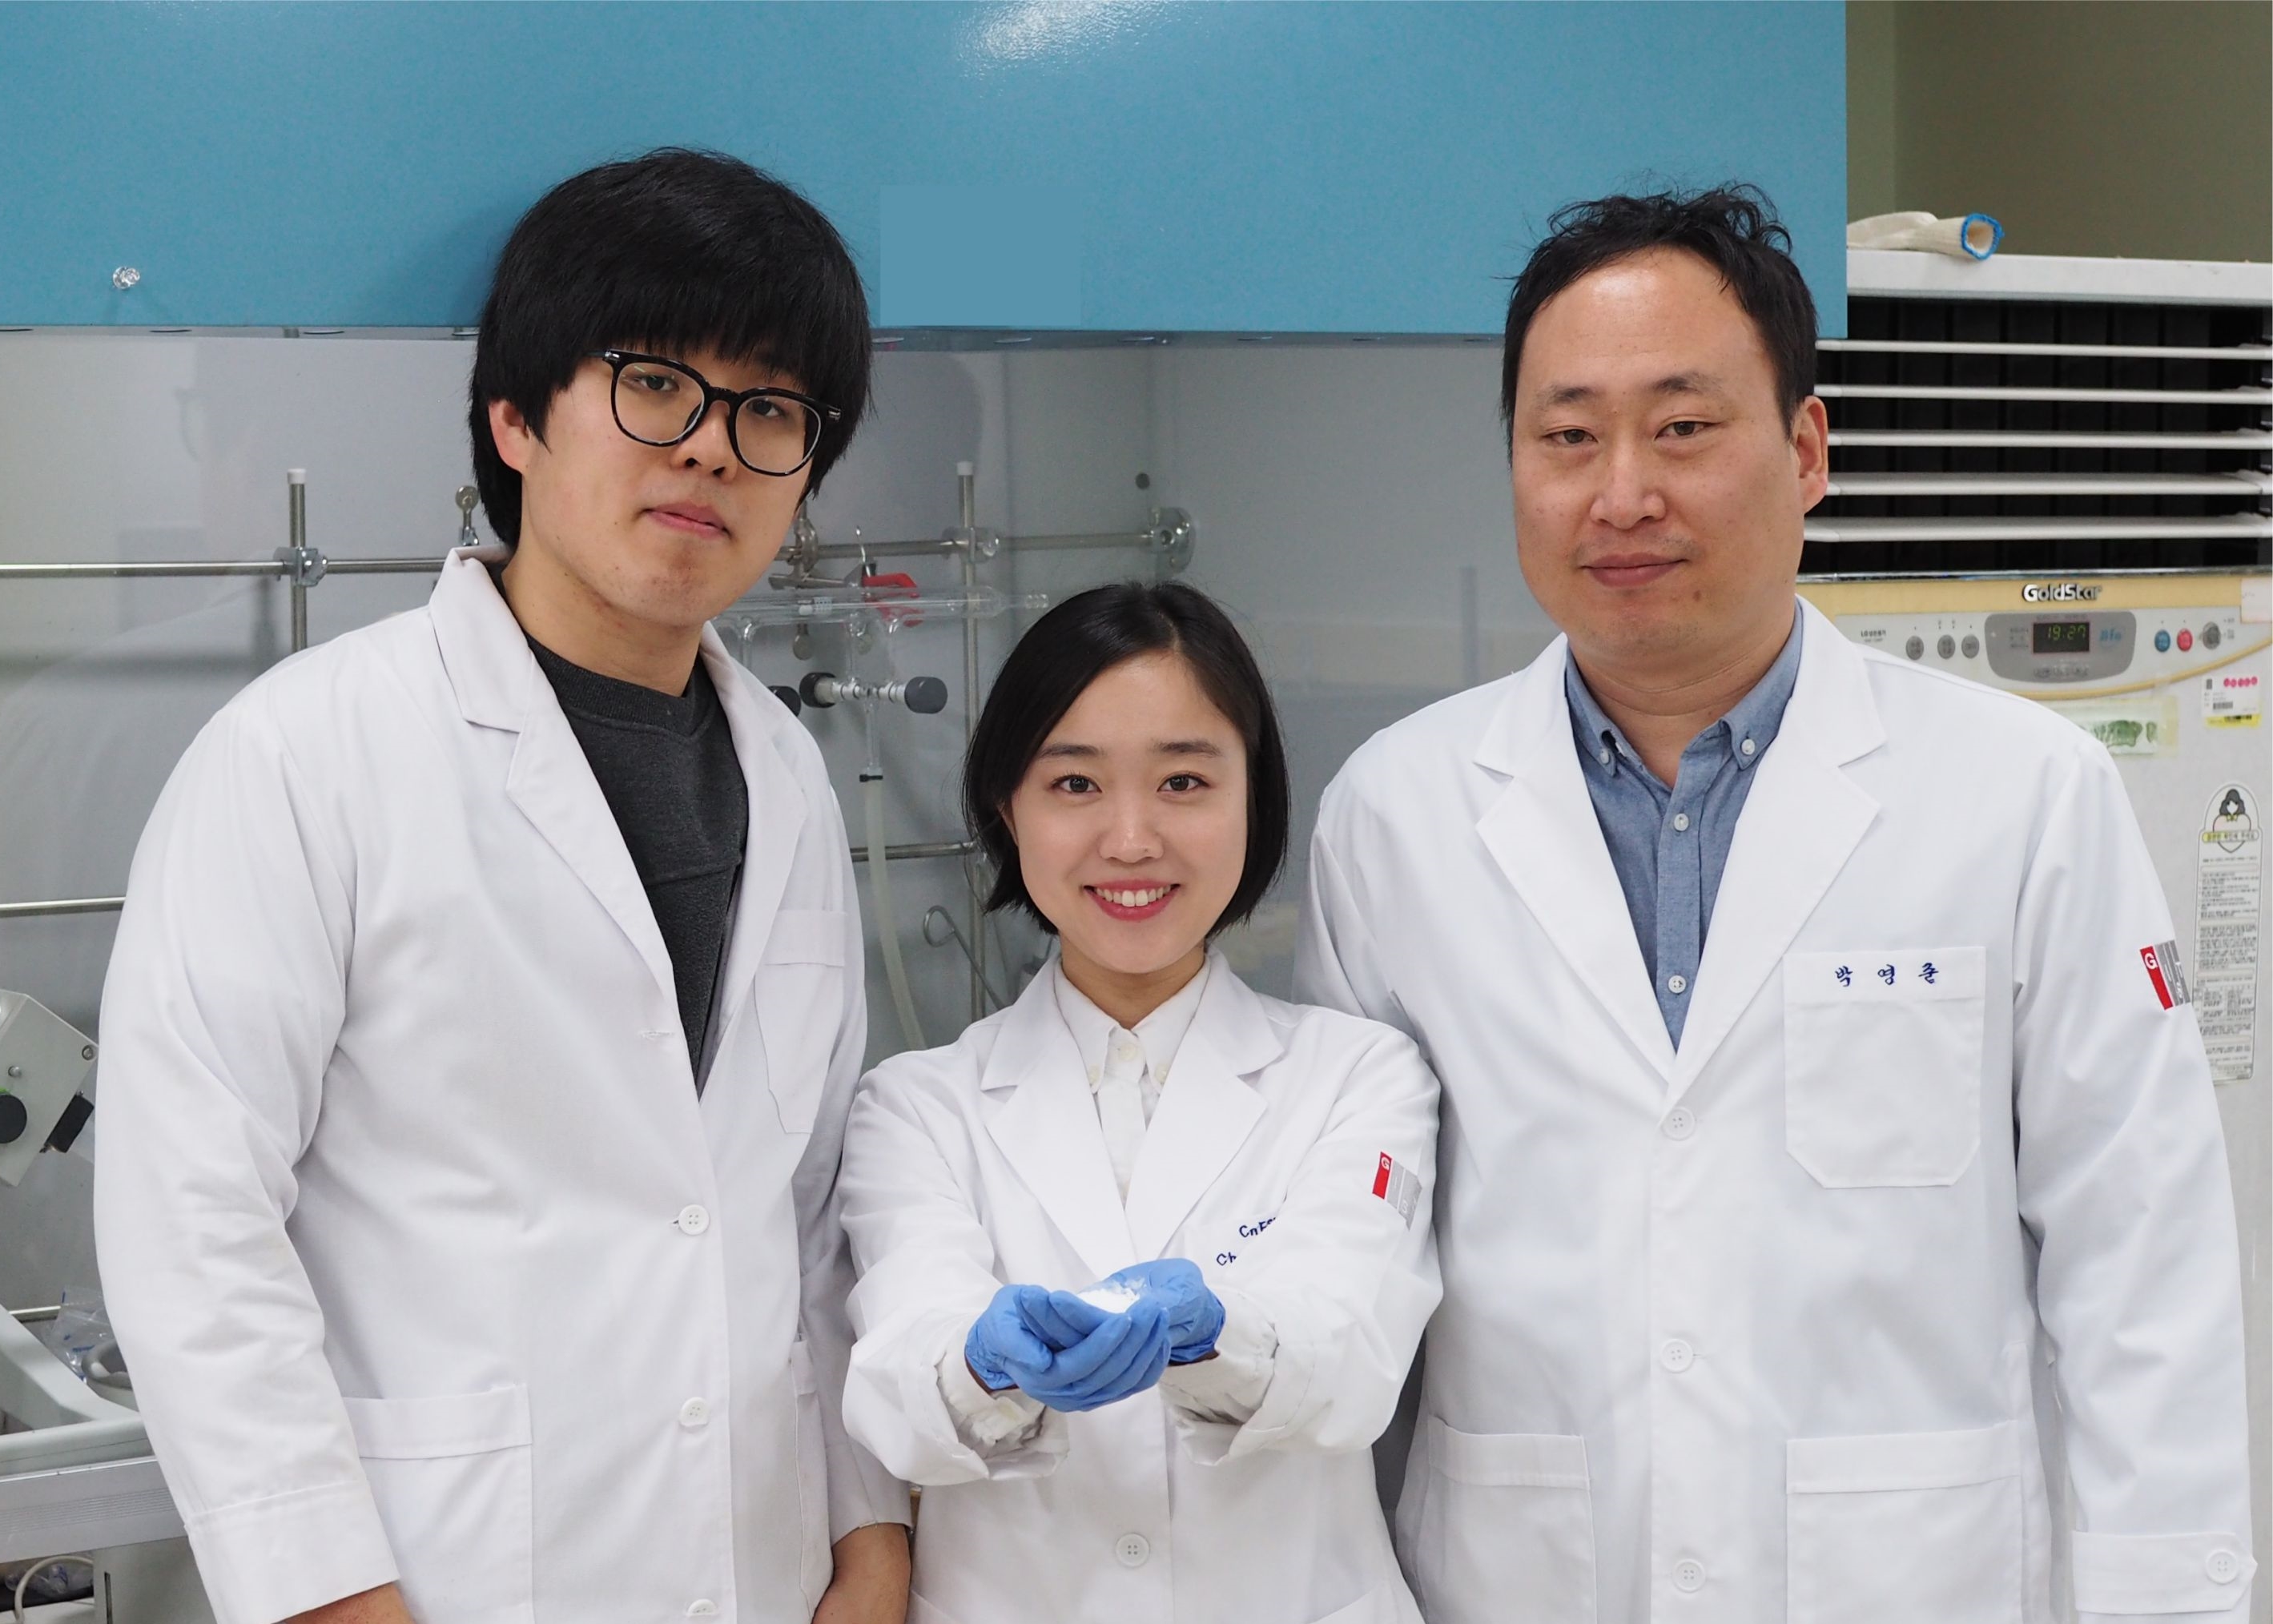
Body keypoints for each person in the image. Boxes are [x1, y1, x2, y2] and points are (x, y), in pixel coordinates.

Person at [1297, 187, 2255, 1624]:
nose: (1622, 494)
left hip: (1909, 1579)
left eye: (1683, 426)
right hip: (1519, 1575)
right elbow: (1353, 1257)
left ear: (1805, 451)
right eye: (1567, 438)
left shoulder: (2020, 792)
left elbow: (2142, 1264)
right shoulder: (1394, 813)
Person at [92, 150, 909, 1624]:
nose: (712, 450)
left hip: (763, 1569)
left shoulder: (788, 770)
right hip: (446, 1579)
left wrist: (869, 1532)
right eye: (655, 385)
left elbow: (802, 1216)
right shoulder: (307, 752)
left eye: (772, 412)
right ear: (515, 418)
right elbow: (189, 1223)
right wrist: (330, 1599)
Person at [837, 582, 1440, 1624]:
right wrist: (980, 1364)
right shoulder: (915, 1108)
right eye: (1074, 782)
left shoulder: (1360, 1077)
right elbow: (899, 1383)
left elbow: (1348, 1357)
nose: (1129, 840)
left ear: (1253, 802)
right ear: (1006, 808)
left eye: (1183, 782)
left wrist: (1215, 1336)